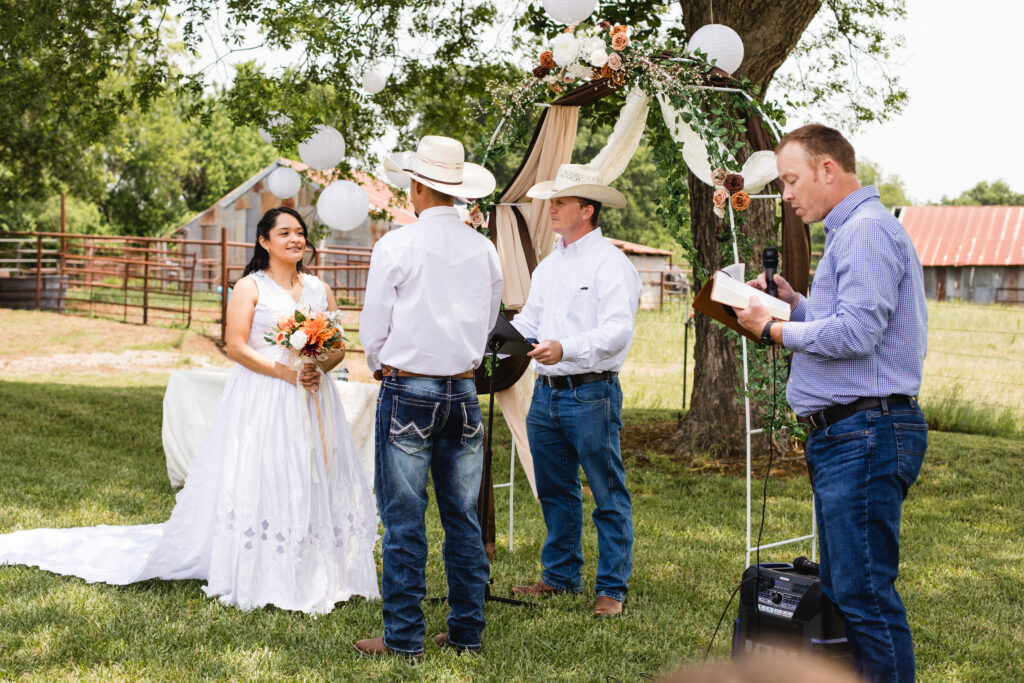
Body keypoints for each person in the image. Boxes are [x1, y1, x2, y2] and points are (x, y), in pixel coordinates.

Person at [0, 206, 380, 614]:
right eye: (284, 232)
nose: (295, 239)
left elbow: (338, 348)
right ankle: (263, 563)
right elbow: (236, 346)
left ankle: (318, 567)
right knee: (265, 468)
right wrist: (285, 374)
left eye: (300, 232)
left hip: (311, 394)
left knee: (312, 470)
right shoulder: (251, 287)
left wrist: (314, 366)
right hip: (264, 392)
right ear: (264, 241)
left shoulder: (319, 290)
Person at [736, 124, 928, 683]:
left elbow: (857, 334)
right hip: (854, 432)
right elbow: (841, 322)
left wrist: (773, 329)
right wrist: (796, 305)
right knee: (851, 588)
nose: (787, 193)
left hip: (865, 431)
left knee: (865, 595)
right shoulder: (852, 231)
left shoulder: (865, 231)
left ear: (827, 169)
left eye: (792, 179)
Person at [354, 135, 502, 661]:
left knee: (404, 517)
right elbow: (489, 322)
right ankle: (467, 632)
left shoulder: (396, 244)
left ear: (418, 188)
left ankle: (404, 638)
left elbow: (374, 325)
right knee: (462, 516)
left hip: (409, 385)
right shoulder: (483, 248)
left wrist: (379, 365)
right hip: (462, 388)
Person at [509, 164, 641, 618]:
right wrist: (498, 333)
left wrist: (566, 347)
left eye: (560, 202)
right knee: (554, 488)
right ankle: (561, 576)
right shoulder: (548, 266)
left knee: (607, 492)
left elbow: (617, 333)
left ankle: (612, 588)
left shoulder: (612, 264)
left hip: (592, 393)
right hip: (544, 393)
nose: (551, 209)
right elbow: (530, 320)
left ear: (587, 210)